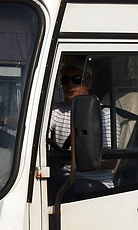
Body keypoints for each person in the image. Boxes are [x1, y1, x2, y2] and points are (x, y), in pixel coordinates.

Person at [47, 58, 114, 198]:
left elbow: (111, 160)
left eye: (77, 79)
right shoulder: (57, 111)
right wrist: (8, 120)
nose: (70, 84)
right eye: (65, 80)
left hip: (96, 183)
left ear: (89, 83)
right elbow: (37, 131)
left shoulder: (103, 114)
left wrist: (80, 160)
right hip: (66, 180)